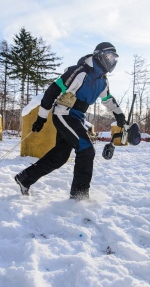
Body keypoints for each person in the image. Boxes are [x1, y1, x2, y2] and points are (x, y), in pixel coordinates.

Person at [15, 42, 126, 200]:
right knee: (86, 150)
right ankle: (79, 196)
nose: (112, 60)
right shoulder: (79, 71)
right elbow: (52, 91)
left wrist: (119, 115)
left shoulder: (103, 80)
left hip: (77, 117)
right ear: (99, 55)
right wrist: (41, 117)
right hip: (63, 114)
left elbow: (108, 99)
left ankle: (25, 178)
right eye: (110, 56)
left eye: (115, 58)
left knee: (60, 156)